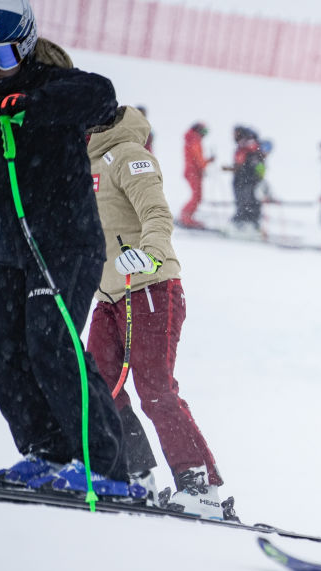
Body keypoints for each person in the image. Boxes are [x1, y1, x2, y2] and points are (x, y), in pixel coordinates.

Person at [0, 0, 143, 496]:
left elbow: (101, 96)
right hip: (11, 252)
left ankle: (106, 468)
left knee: (51, 340)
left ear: (22, 45)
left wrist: (21, 104)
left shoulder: (52, 86)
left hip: (66, 246)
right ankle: (48, 451)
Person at [86, 104, 235, 520]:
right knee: (99, 384)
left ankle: (199, 484)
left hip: (148, 286)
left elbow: (155, 213)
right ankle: (136, 474)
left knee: (155, 389)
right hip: (108, 295)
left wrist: (150, 254)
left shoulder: (131, 155)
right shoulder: (85, 160)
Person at [224, 124, 265, 232]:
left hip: (245, 179)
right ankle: (250, 223)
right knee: (249, 201)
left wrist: (236, 169)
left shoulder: (246, 145)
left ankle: (244, 224)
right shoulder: (250, 145)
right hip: (248, 179)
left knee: (245, 201)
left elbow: (242, 163)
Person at [178, 121, 213, 229]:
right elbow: (197, 158)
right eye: (204, 131)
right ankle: (186, 217)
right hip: (193, 173)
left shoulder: (192, 139)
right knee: (196, 196)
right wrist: (205, 163)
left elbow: (197, 159)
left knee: (197, 196)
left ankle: (186, 216)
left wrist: (206, 163)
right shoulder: (194, 140)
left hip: (193, 172)